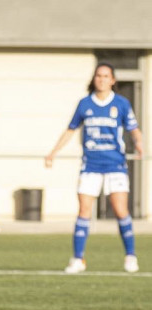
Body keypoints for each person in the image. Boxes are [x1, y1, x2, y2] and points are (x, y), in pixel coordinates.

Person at [45, 62, 144, 273]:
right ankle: (78, 259)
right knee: (83, 211)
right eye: (99, 76)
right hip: (90, 165)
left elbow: (134, 129)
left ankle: (130, 256)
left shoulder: (121, 104)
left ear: (113, 80)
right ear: (94, 79)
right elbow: (70, 130)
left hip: (115, 165)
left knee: (120, 210)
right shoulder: (84, 104)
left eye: (106, 76)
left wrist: (140, 144)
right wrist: (53, 151)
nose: (102, 79)